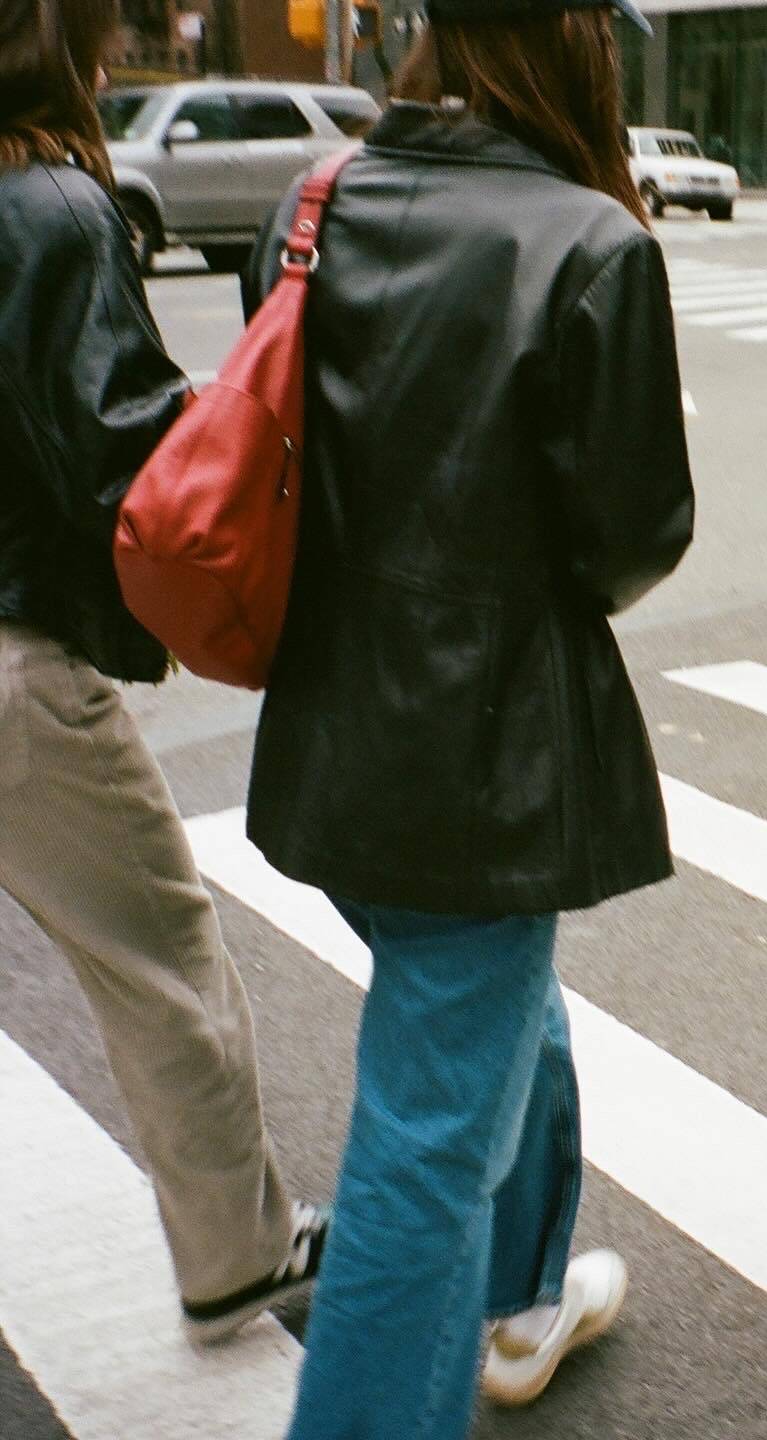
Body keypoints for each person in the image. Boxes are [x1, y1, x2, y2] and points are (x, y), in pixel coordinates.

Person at [241, 0, 695, 1433]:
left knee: (488, 1022)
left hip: (330, 742)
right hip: (483, 766)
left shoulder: (311, 206)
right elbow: (638, 533)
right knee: (424, 1151)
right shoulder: (592, 243)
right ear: (580, 54)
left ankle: (517, 1299)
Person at [0, 0, 327, 1346]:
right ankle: (237, 1251)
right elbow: (117, 447)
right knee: (162, 953)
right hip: (19, 670)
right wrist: (224, 420)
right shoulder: (55, 212)